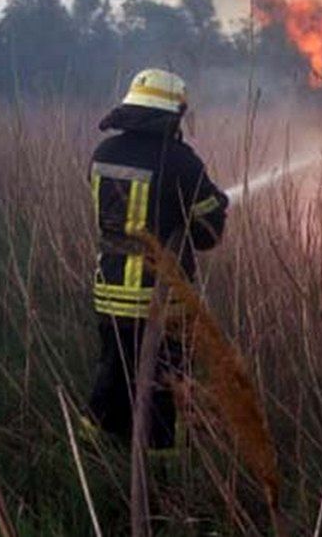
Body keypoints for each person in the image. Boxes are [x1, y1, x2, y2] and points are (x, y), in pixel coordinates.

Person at [84, 67, 228, 450]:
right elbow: (207, 233)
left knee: (112, 372)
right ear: (171, 114)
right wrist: (217, 208)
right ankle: (159, 461)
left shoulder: (104, 153)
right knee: (166, 381)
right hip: (161, 296)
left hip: (110, 287)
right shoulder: (181, 162)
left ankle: (98, 449)